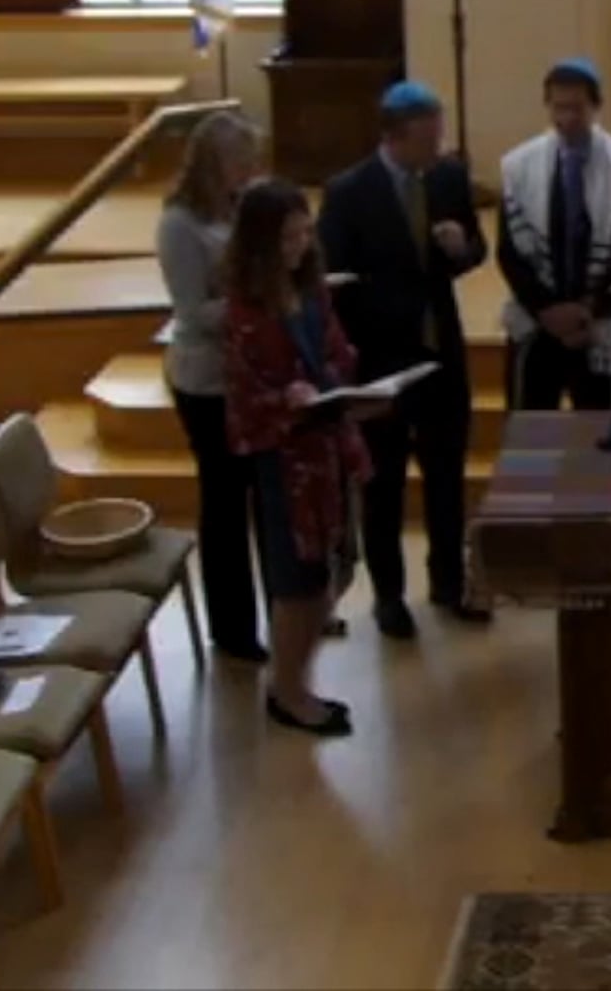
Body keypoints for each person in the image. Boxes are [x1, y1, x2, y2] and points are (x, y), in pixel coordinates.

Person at [317, 81, 491, 636]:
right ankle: (389, 596)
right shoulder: (349, 192)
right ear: (395, 137)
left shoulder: (447, 178)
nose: (438, 147)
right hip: (381, 362)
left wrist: (461, 249)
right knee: (384, 485)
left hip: (440, 353)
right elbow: (333, 282)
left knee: (446, 476)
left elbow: (476, 249)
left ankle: (448, 582)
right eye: (428, 138)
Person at [222, 181, 375, 737]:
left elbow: (338, 351)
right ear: (260, 242)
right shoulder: (244, 307)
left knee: (329, 573)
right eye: (288, 237)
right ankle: (287, 692)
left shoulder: (310, 288)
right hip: (285, 461)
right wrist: (288, 397)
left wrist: (338, 385)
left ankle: (298, 681)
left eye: (305, 233)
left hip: (326, 446)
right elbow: (244, 394)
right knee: (296, 582)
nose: (300, 245)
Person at [156, 110, 269, 664]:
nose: (249, 170)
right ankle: (231, 628)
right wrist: (258, 302)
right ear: (213, 163)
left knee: (262, 495)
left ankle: (283, 611)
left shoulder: (239, 206)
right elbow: (192, 312)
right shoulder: (179, 223)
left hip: (249, 373)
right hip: (205, 380)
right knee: (225, 503)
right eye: (240, 161)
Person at [495, 58, 611, 412]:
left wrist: (588, 309)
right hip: (538, 319)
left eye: (576, 108)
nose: (566, 118)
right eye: (558, 107)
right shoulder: (518, 166)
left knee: (601, 432)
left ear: (596, 106)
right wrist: (546, 311)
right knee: (530, 433)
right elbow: (509, 251)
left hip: (600, 319)